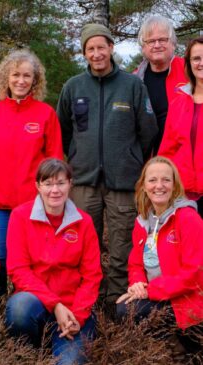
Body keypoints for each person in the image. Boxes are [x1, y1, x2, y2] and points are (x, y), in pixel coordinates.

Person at [57, 23, 158, 308]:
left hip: (124, 182)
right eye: (91, 48)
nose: (97, 53)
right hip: (84, 182)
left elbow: (148, 130)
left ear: (111, 48)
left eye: (102, 47)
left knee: (121, 246)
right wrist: (77, 156)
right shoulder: (73, 87)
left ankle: (116, 303)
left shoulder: (132, 85)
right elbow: (63, 130)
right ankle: (87, 301)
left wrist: (131, 159)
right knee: (82, 245)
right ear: (84, 52)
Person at [0, 49, 63, 297]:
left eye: (27, 76)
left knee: (32, 261)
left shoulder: (45, 114)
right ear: (6, 78)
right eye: (16, 75)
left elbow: (55, 162)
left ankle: (28, 309)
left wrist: (50, 201)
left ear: (35, 81)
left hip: (34, 205)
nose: (21, 81)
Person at [6, 158, 102, 365]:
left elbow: (92, 275)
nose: (54, 190)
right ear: (37, 186)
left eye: (60, 183)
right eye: (48, 183)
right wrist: (55, 304)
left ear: (70, 184)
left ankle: (61, 344)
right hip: (36, 305)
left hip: (73, 310)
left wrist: (77, 316)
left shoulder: (83, 222)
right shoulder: (20, 216)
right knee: (19, 306)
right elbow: (18, 270)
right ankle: (32, 352)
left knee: (69, 363)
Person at [116, 156, 203, 354]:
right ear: (144, 185)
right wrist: (137, 284)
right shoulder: (143, 221)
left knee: (195, 353)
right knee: (124, 309)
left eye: (166, 180)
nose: (159, 186)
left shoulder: (188, 218)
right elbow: (136, 264)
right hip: (160, 296)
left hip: (188, 300)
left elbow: (194, 273)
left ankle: (187, 346)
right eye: (153, 180)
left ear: (175, 185)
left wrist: (150, 290)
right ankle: (168, 348)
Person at [158, 37, 203, 217]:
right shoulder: (178, 102)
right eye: (196, 58)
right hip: (183, 195)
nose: (201, 63)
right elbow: (168, 148)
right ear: (189, 63)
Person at [135, 15, 187, 154]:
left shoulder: (190, 71)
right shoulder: (134, 79)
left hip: (184, 157)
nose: (157, 45)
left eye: (163, 39)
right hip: (147, 162)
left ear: (173, 43)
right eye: (151, 41)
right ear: (143, 47)